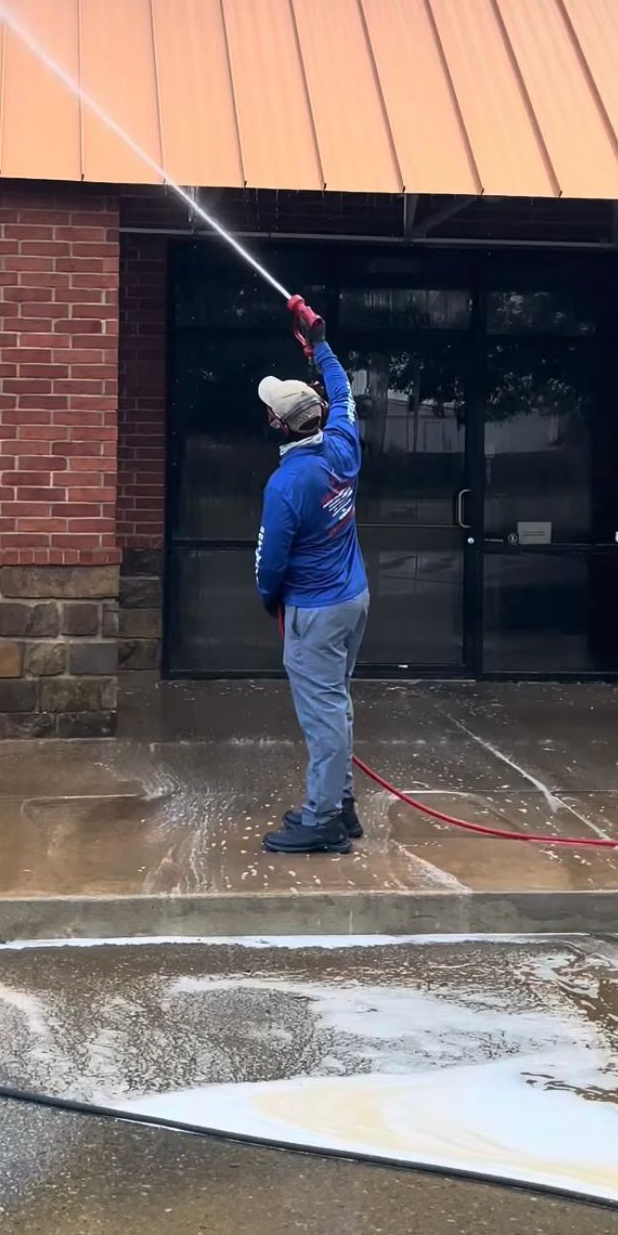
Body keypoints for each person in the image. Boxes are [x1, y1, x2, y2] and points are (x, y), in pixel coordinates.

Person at [255, 295, 369, 854]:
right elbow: (343, 389)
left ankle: (323, 820)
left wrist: (266, 596)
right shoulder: (344, 444)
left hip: (315, 613)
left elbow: (269, 563)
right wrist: (318, 341)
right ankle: (340, 803)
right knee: (336, 701)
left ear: (278, 424)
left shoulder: (286, 486)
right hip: (352, 599)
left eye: (271, 409)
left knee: (323, 714)